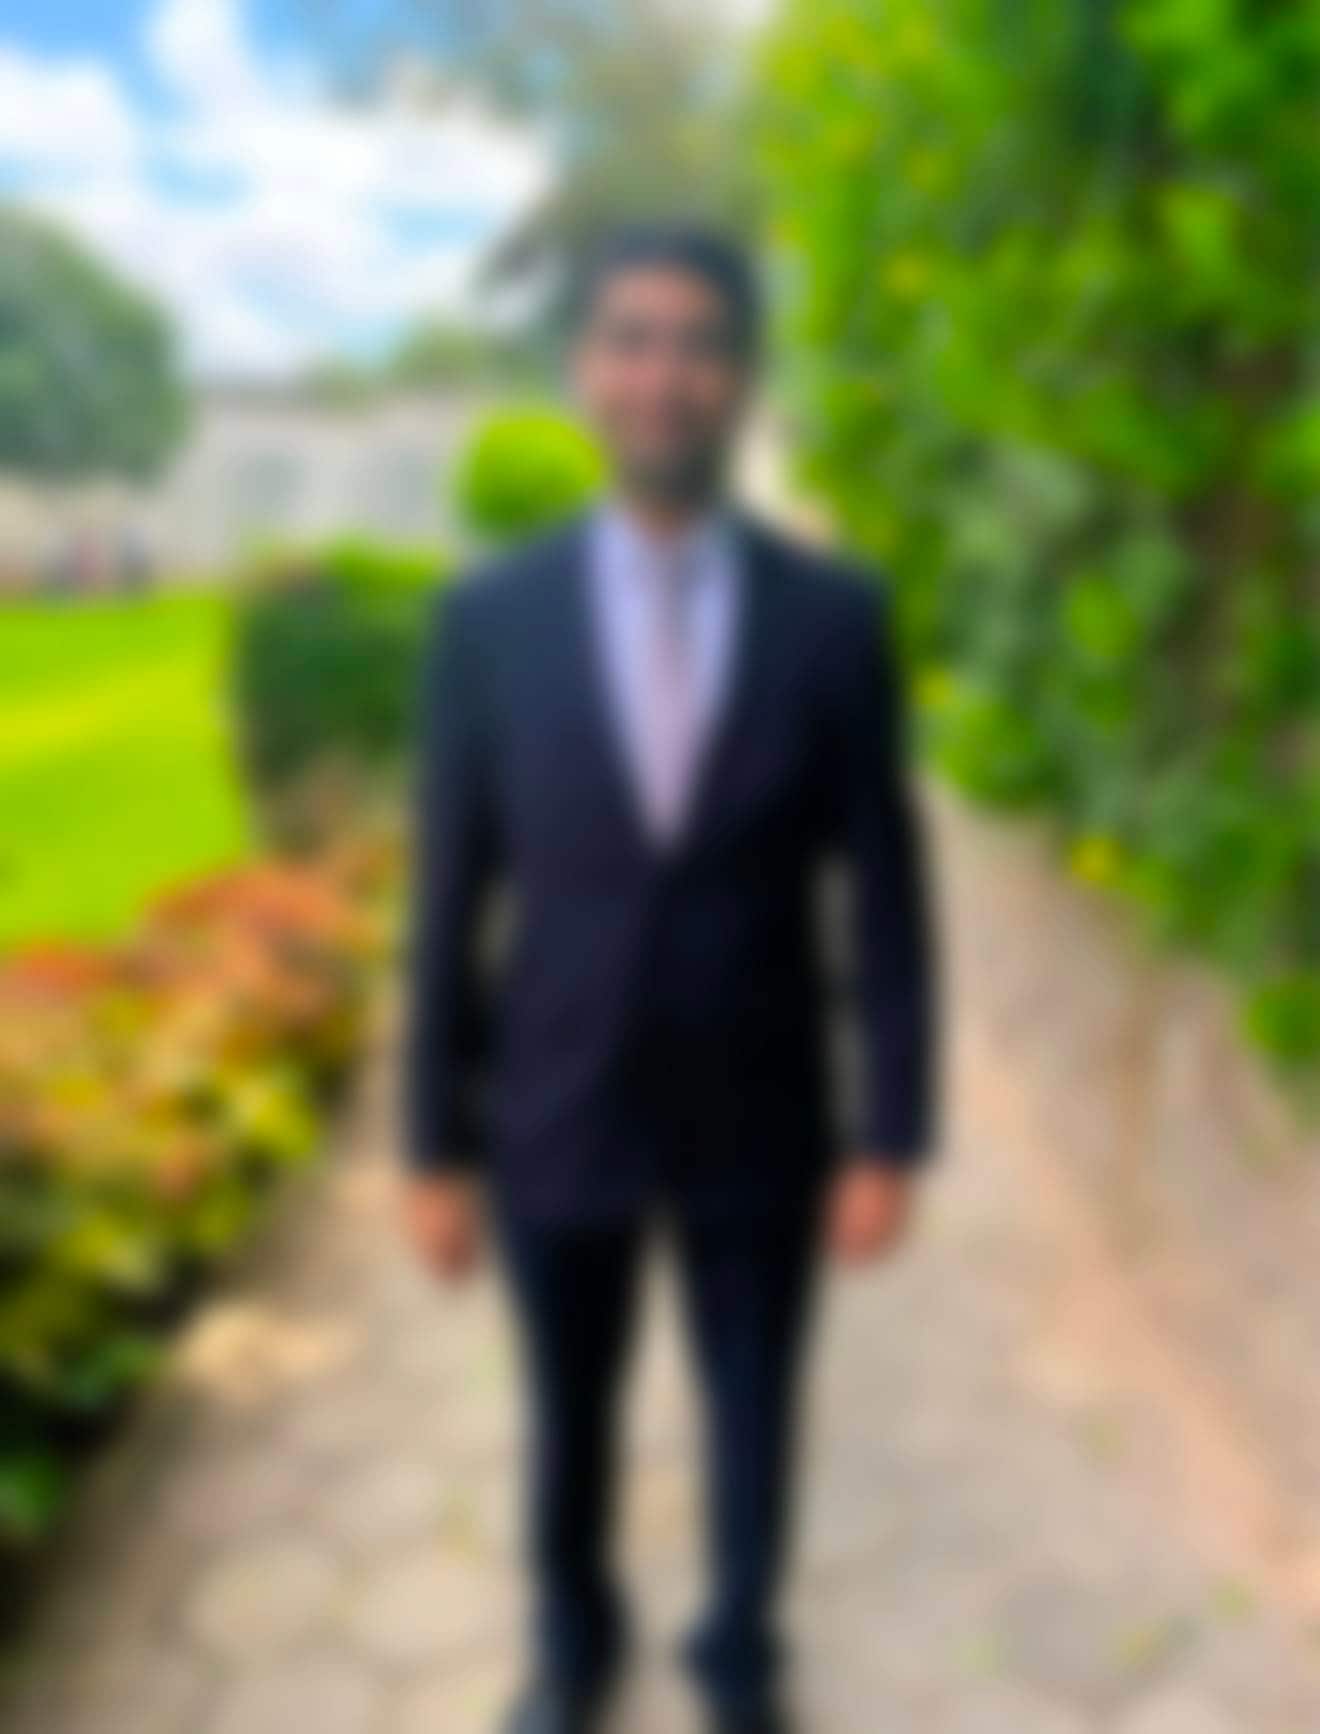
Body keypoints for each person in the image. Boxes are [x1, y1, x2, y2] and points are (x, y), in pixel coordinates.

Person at [403, 222, 937, 1734]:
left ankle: (739, 1652)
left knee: (754, 1411)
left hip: (763, 1113)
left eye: (699, 343)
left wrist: (890, 1134)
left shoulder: (837, 617)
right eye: (631, 338)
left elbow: (887, 894)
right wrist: (432, 1146)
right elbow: (449, 896)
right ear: (584, 368)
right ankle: (572, 1646)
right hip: (555, 1104)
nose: (663, 374)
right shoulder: (484, 623)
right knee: (567, 1413)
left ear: (742, 376)